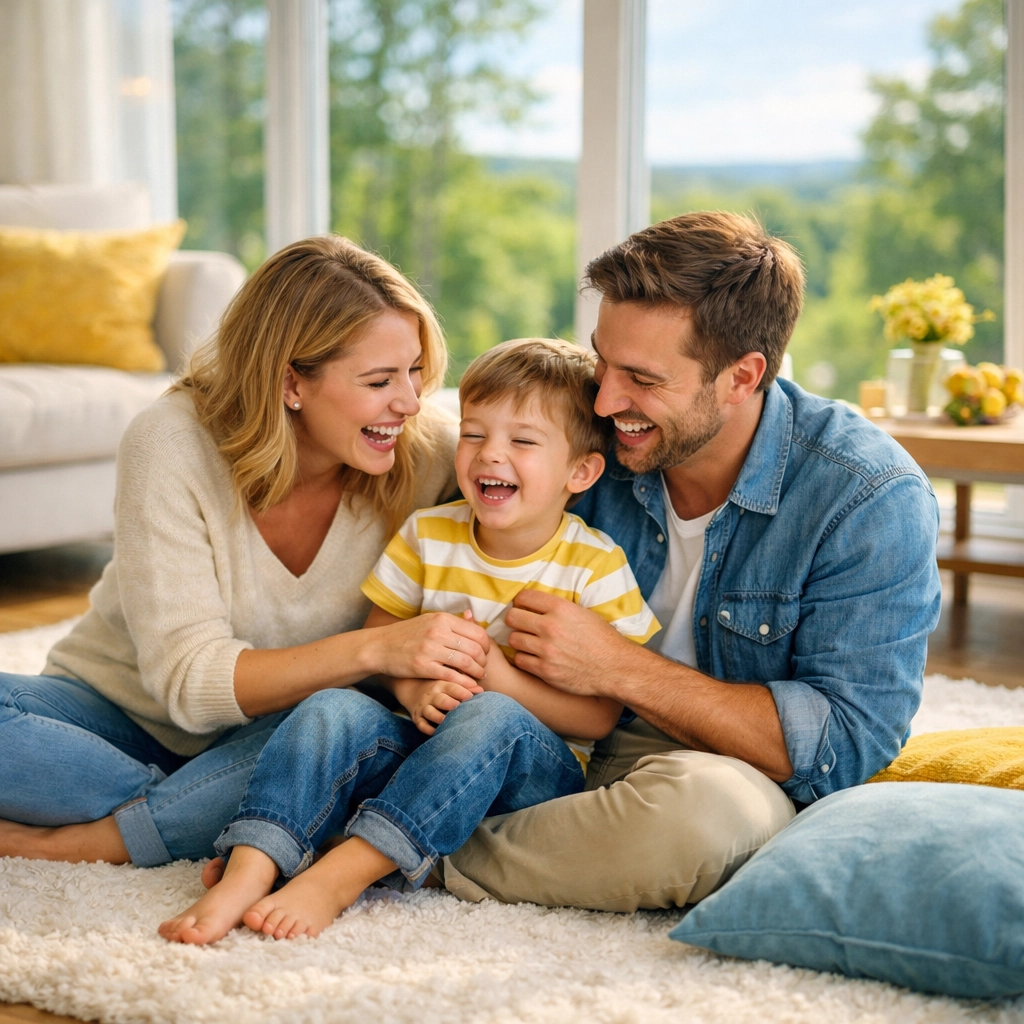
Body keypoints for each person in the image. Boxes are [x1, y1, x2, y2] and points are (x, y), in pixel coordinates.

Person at [431, 211, 943, 912]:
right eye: (601, 361)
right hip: (537, 734)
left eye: (641, 378)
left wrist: (615, 665)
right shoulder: (587, 434)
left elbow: (845, 744)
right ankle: (417, 818)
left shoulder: (866, 497)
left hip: (707, 767)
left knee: (708, 820)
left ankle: (413, 850)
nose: (606, 400)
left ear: (743, 376)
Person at [0, 236, 493, 868]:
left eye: (415, 371)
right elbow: (189, 683)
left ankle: (92, 833)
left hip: (281, 739)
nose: (409, 401)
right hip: (117, 715)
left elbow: (548, 472)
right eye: (378, 380)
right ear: (292, 382)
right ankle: (208, 813)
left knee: (347, 725)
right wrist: (376, 648)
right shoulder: (171, 441)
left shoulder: (426, 456)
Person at [159, 337, 659, 943]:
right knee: (331, 707)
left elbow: (602, 718)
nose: (489, 456)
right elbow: (378, 641)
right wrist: (412, 684)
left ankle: (347, 872)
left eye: (522, 442)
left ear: (580, 471)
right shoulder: (429, 534)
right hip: (419, 747)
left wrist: (499, 681)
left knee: (493, 715)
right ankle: (252, 864)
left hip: (526, 773)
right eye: (474, 435)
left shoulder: (594, 565)